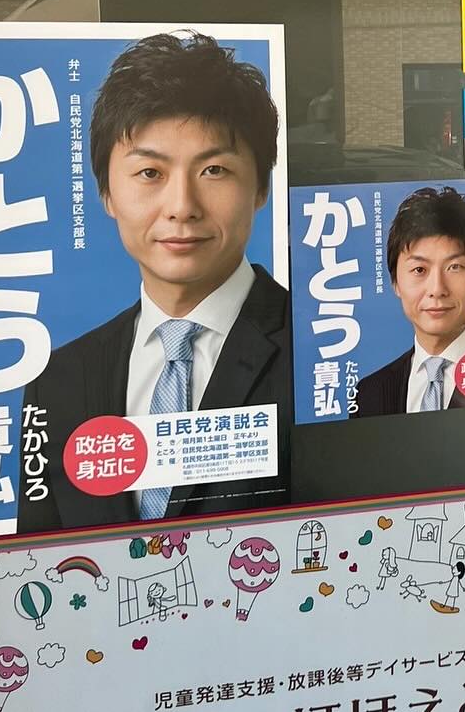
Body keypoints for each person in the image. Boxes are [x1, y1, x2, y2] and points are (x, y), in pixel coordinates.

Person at [18, 32, 292, 533]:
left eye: (214, 169)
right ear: (106, 193)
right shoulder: (58, 381)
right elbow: (37, 558)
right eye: (149, 172)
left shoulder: (318, 357)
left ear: (261, 188)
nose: (181, 206)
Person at [352, 186, 465, 418]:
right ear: (395, 283)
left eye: (454, 267)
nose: (437, 289)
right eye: (419, 269)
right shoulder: (369, 394)